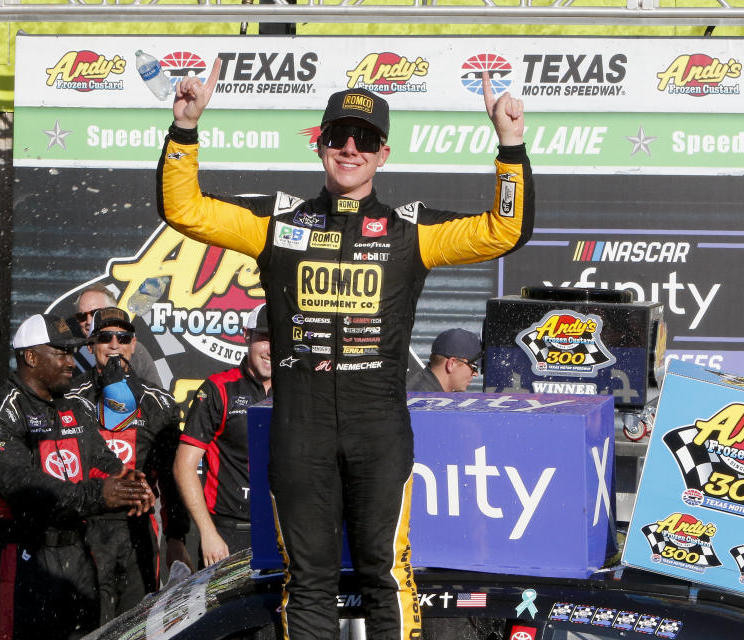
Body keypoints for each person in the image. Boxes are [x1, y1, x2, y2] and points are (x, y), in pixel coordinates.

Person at [158, 62, 533, 639]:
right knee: (305, 581)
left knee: (386, 576)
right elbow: (184, 210)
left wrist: (510, 145)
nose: (350, 148)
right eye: (338, 136)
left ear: (384, 154)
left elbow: (503, 231)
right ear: (321, 146)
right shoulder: (276, 223)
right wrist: (184, 129)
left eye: (366, 139)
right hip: (300, 429)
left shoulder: (412, 231)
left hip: (377, 429)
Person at [0, 313, 154, 640]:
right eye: (61, 353)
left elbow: (101, 458)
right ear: (31, 356)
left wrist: (129, 481)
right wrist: (100, 494)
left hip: (77, 554)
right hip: (21, 559)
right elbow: (26, 487)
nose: (70, 361)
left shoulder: (72, 407)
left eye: (72, 352)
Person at [65, 307, 189, 624]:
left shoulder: (158, 402)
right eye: (105, 337)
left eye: (123, 337)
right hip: (86, 528)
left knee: (138, 624)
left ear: (134, 344)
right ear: (91, 345)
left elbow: (173, 481)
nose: (115, 344)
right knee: (91, 623)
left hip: (137, 529)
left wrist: (176, 538)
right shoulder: (70, 400)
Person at [173, 303, 271, 568]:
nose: (271, 349)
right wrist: (208, 533)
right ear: (246, 335)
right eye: (264, 338)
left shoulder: (298, 389)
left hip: (282, 529)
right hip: (229, 532)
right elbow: (185, 466)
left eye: (278, 338)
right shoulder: (218, 389)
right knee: (225, 611)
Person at [72, 284, 163, 388]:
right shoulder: (70, 353)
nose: (88, 321)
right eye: (82, 316)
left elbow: (155, 396)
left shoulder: (132, 350)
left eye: (95, 313)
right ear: (90, 347)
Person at [407, 328, 483, 392]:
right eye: (474, 367)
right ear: (451, 364)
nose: (476, 374)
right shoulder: (424, 401)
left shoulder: (428, 392)